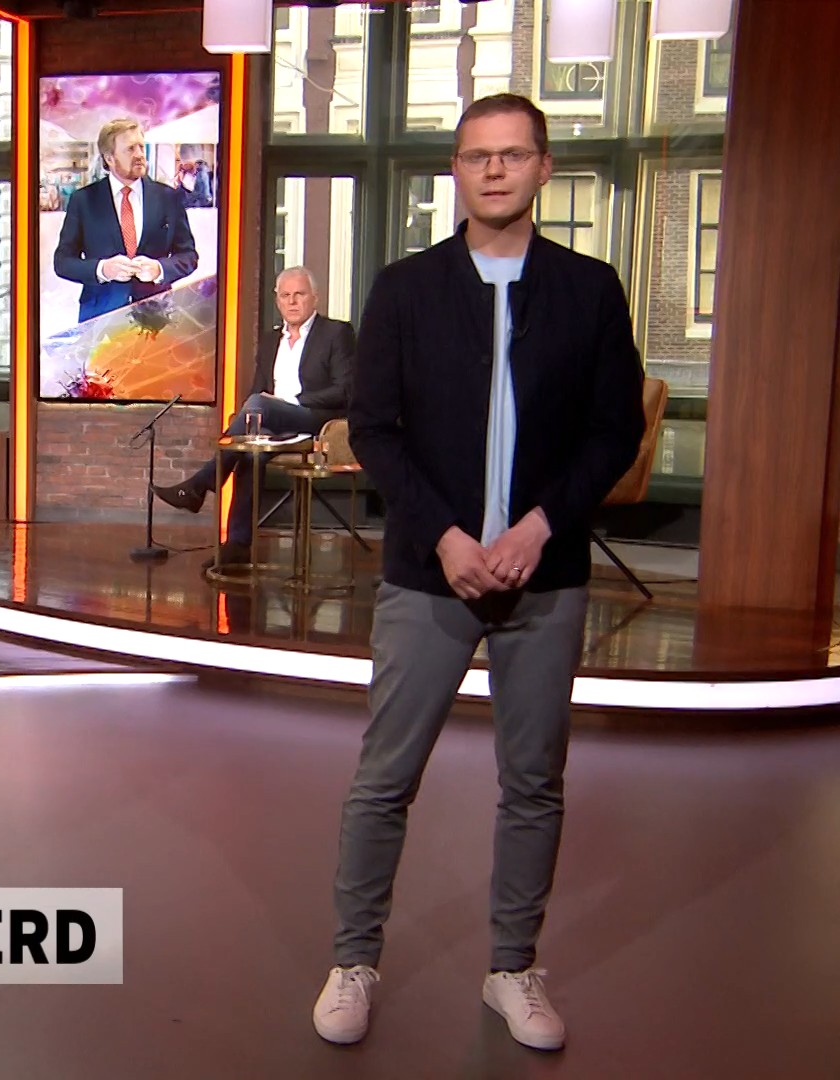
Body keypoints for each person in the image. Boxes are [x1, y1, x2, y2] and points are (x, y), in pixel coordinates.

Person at [312, 93, 644, 1052]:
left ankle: (512, 968)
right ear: (456, 171)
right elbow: (374, 430)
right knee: (384, 780)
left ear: (543, 168)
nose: (494, 170)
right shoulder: (406, 289)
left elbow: (613, 430)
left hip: (547, 574)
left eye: (512, 154)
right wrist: (448, 538)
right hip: (431, 575)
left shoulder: (589, 289)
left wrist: (539, 526)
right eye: (476, 156)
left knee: (534, 781)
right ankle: (353, 961)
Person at [152, 267, 355, 564]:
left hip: (316, 421)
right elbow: (256, 391)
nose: (292, 301)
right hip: (273, 425)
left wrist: (285, 402)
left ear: (315, 297)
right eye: (285, 295)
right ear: (277, 300)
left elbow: (344, 390)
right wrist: (258, 412)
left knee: (260, 405)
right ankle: (237, 545)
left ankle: (201, 484)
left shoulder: (336, 333)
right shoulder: (271, 340)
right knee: (249, 452)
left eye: (299, 294)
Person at [53, 117, 198, 323]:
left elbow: (189, 256)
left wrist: (159, 269)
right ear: (110, 158)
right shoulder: (83, 200)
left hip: (156, 318)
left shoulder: (168, 198)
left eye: (141, 147)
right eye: (130, 149)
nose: (139, 154)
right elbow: (63, 262)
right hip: (100, 319)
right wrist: (103, 269)